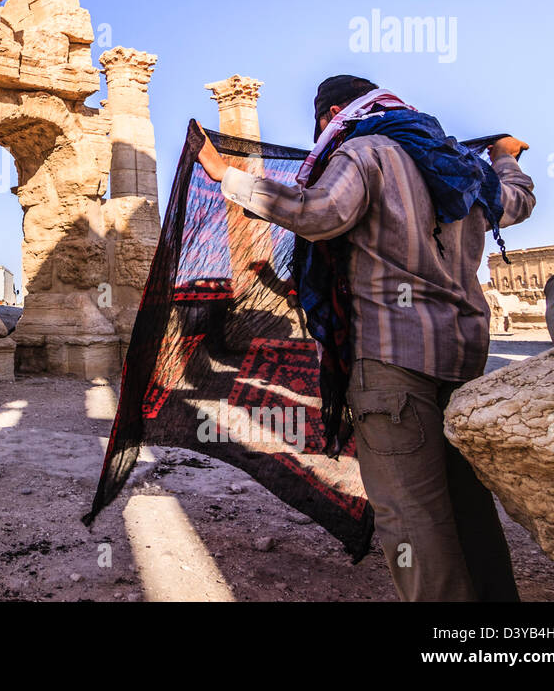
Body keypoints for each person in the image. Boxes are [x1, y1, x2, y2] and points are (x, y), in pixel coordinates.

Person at [195, 75, 535, 601]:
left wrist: (227, 176)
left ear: (335, 112)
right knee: (468, 504)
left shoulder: (366, 151)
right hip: (465, 358)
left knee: (413, 517)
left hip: (392, 360)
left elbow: (318, 213)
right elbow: (516, 201)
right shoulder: (459, 165)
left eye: (321, 126)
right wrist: (506, 156)